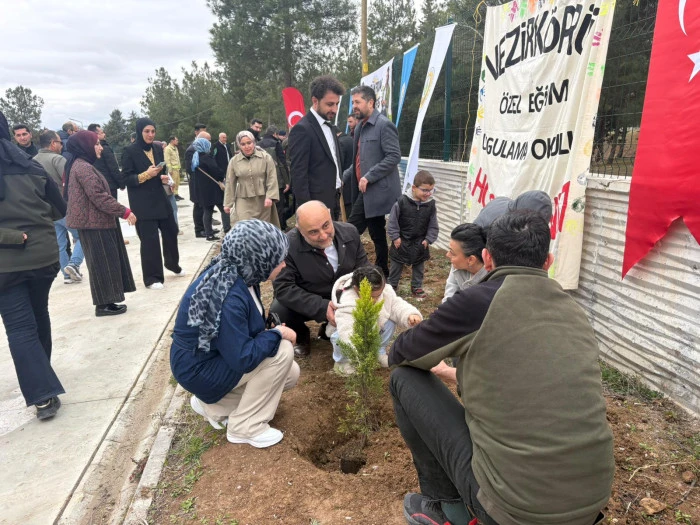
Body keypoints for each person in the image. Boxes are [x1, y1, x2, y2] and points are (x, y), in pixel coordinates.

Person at [389, 210, 615, 525]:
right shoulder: (574, 312)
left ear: (486, 258)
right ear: (548, 262)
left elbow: (400, 354)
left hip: (514, 512)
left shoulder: (477, 302)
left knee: (403, 377)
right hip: (589, 505)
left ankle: (448, 509)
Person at [170, 220, 299, 448]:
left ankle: (214, 406)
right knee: (282, 351)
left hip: (209, 360)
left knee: (290, 373)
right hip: (199, 369)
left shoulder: (241, 273)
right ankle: (245, 427)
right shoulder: (229, 296)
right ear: (259, 259)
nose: (284, 264)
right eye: (278, 259)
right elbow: (242, 357)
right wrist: (277, 333)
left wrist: (268, 333)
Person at [0, 111, 66, 420]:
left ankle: (42, 396)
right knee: (39, 315)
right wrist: (34, 224)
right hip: (44, 257)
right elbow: (59, 208)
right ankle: (42, 373)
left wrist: (12, 236)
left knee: (20, 328)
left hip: (6, 265)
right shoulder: (31, 165)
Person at [270, 200, 368, 357]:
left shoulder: (349, 232)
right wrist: (322, 307)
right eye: (313, 232)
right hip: (308, 296)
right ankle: (300, 335)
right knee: (279, 309)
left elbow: (364, 269)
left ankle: (330, 329)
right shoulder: (287, 245)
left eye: (326, 225)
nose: (323, 235)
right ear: (300, 230)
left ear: (329, 214)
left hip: (343, 295)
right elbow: (283, 287)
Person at [65, 131, 137, 316]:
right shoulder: (83, 168)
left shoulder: (84, 165)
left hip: (96, 222)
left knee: (106, 262)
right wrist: (124, 211)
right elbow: (98, 196)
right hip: (94, 224)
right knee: (101, 264)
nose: (100, 148)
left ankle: (108, 301)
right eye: (96, 144)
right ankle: (103, 305)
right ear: (85, 146)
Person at [344, 85, 402, 277]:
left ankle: (345, 269)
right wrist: (343, 177)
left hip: (376, 191)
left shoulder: (384, 125)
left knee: (350, 231)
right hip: (363, 190)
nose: (354, 106)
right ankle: (382, 270)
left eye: (358, 102)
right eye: (353, 102)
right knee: (377, 232)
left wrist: (369, 176)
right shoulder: (360, 126)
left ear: (370, 102)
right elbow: (359, 160)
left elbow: (393, 156)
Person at [122, 117, 183, 289]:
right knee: (150, 241)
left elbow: (160, 170)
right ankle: (152, 278)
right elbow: (126, 178)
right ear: (139, 132)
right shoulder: (130, 151)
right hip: (142, 202)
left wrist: (163, 177)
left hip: (160, 198)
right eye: (146, 131)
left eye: (153, 131)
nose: (150, 135)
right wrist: (146, 175)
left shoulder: (157, 148)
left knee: (171, 231)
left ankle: (172, 264)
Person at [329, 265, 421, 375]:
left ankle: (378, 351)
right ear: (356, 289)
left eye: (378, 296)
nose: (374, 300)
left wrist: (409, 314)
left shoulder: (385, 290)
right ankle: (344, 362)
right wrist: (358, 355)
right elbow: (347, 330)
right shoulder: (347, 302)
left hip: (373, 328)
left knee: (390, 322)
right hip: (350, 333)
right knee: (339, 338)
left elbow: (396, 304)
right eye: (370, 296)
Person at [34, 129, 86, 285]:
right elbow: (71, 183)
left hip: (46, 210)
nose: (62, 145)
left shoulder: (32, 161)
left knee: (60, 243)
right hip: (63, 207)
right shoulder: (57, 159)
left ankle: (67, 275)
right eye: (59, 142)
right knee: (83, 236)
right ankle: (74, 264)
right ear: (52, 143)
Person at [288, 75, 344, 218]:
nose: (335, 109)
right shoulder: (302, 129)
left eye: (337, 104)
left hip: (334, 197)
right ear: (315, 101)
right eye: (330, 104)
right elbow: (299, 175)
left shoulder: (330, 127)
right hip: (315, 205)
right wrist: (308, 211)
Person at [387, 170, 438, 298]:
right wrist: (395, 237)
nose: (428, 193)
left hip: (420, 242)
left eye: (431, 190)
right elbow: (392, 221)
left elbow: (433, 225)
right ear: (414, 188)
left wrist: (428, 239)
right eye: (425, 190)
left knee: (419, 265)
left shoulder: (430, 205)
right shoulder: (401, 202)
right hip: (401, 241)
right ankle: (392, 285)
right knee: (396, 265)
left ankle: (416, 286)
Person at [223, 130, 280, 228]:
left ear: (254, 142)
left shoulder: (266, 158)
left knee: (262, 228)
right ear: (239, 145)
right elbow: (230, 183)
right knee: (245, 227)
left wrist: (270, 196)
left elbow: (272, 178)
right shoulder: (234, 161)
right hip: (243, 200)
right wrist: (228, 203)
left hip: (263, 200)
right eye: (243, 144)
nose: (247, 146)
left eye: (249, 143)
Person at [191, 135, 229, 240]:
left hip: (203, 189)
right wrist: (222, 176)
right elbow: (215, 170)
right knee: (224, 208)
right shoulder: (206, 157)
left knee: (207, 211)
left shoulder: (196, 157)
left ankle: (209, 233)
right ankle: (227, 229)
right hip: (213, 188)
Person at [442, 223, 488, 303]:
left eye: (452, 253)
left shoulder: (492, 279)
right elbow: (450, 294)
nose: (447, 255)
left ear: (471, 260)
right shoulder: (457, 266)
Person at [258, 125, 290, 228]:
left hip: (262, 181)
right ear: (275, 134)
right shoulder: (276, 143)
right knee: (279, 207)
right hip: (277, 180)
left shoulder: (257, 144)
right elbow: (282, 163)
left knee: (265, 208)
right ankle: (279, 228)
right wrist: (287, 181)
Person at [185, 124, 209, 237]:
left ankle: (207, 227)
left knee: (205, 206)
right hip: (196, 183)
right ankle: (199, 230)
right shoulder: (191, 149)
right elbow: (189, 169)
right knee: (198, 206)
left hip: (204, 182)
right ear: (197, 134)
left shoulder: (204, 147)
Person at [89, 124, 124, 199]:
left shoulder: (88, 149)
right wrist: (121, 183)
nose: (104, 134)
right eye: (102, 133)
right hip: (109, 186)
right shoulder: (105, 148)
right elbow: (113, 167)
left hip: (96, 186)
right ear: (96, 135)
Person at [164, 135, 183, 201]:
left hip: (177, 169)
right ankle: (173, 196)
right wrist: (170, 170)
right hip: (172, 169)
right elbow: (167, 160)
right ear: (172, 141)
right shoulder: (168, 149)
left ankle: (176, 194)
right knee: (173, 183)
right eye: (176, 140)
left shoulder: (175, 148)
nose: (177, 141)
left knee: (177, 182)